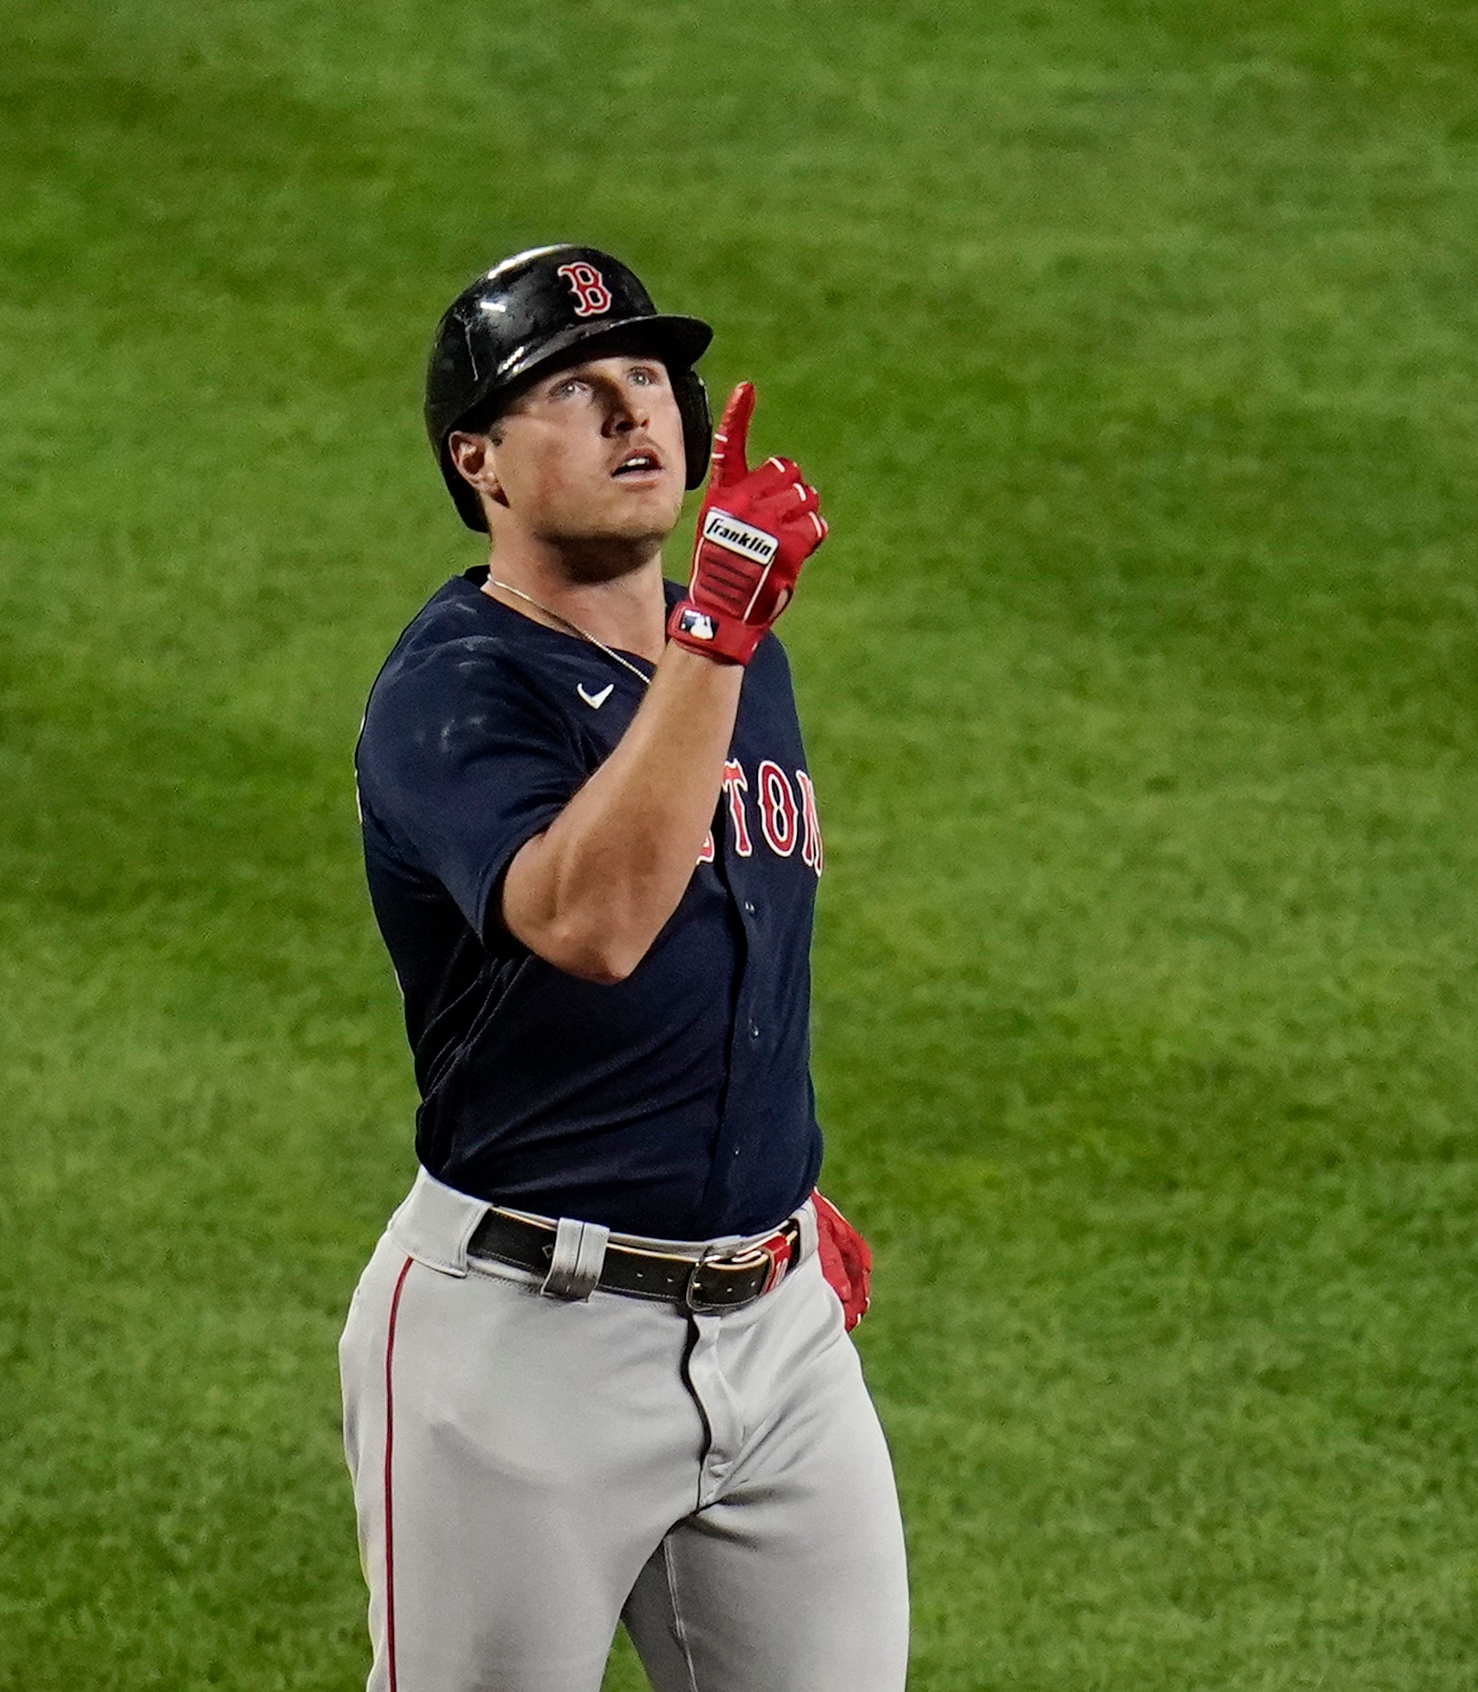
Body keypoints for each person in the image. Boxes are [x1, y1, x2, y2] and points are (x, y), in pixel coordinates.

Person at [337, 244, 908, 1692]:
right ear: (480, 463)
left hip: (773, 1339)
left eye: (647, 379)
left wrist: (755, 1181)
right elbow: (592, 930)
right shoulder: (454, 688)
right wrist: (711, 639)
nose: (632, 413)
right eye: (573, 391)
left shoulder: (730, 655)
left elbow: (739, 949)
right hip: (521, 1352)